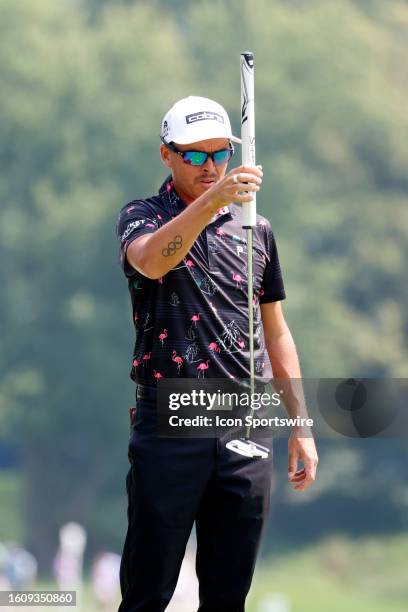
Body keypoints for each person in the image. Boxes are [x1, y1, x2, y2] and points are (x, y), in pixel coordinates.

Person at [116, 96, 318, 612]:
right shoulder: (143, 216)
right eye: (195, 157)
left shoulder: (258, 230)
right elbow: (151, 264)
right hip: (170, 421)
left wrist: (301, 425)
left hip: (245, 421)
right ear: (167, 156)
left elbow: (276, 333)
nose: (210, 167)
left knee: (228, 595)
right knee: (148, 591)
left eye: (219, 155)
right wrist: (213, 201)